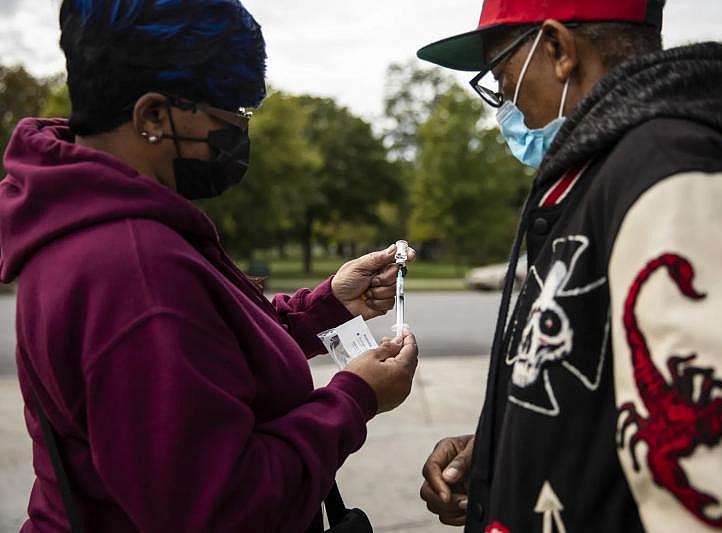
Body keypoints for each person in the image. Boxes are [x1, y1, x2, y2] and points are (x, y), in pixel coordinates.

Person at [0, 1, 418, 531]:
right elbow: (221, 509)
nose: (241, 132)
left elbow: (213, 355)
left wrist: (327, 304)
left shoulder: (91, 220)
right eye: (232, 112)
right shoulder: (135, 271)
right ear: (153, 116)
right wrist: (355, 397)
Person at [416, 0, 722, 531]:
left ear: (557, 50)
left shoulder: (668, 176)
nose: (503, 106)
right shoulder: (606, 170)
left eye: (501, 80)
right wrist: (507, 453)